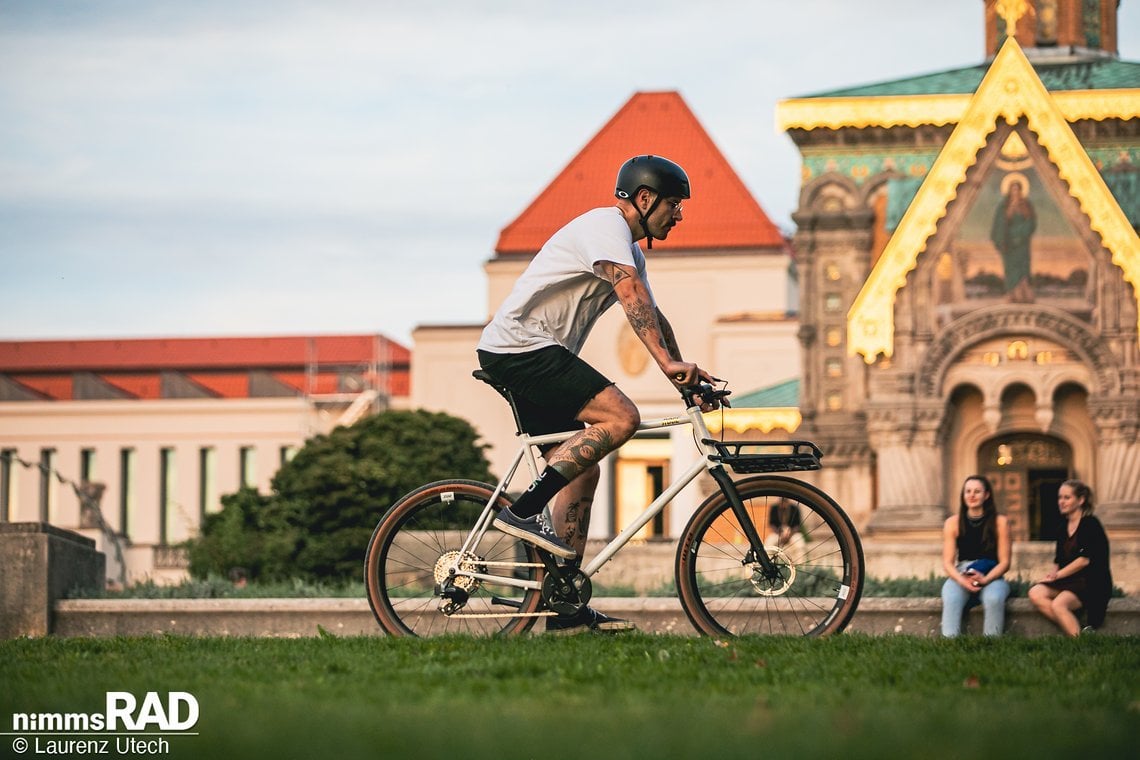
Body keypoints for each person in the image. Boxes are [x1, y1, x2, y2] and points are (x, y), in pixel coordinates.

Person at [476, 155, 723, 634]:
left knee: (583, 472)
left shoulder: (630, 249)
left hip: (532, 353)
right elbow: (629, 294)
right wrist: (669, 365)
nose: (679, 214)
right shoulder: (604, 228)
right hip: (520, 350)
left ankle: (563, 606)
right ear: (645, 199)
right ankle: (524, 511)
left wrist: (685, 379)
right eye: (674, 204)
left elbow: (652, 313)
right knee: (621, 418)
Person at [1028, 480, 1113, 636]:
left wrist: (1057, 576)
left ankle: (1079, 643)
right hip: (1069, 580)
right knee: (1035, 592)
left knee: (1059, 604)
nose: (1061, 501)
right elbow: (1058, 561)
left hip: (1090, 581)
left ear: (1080, 500)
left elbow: (1084, 560)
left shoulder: (1091, 524)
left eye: (1067, 497)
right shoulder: (1062, 527)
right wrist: (1050, 576)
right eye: (1060, 497)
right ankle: (1076, 628)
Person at [940, 475, 1011, 637]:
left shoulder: (1000, 522)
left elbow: (1005, 563)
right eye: (968, 491)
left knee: (994, 599)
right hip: (962, 573)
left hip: (992, 574)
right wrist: (962, 579)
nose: (972, 495)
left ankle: (991, 644)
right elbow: (947, 563)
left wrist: (985, 580)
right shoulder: (952, 522)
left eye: (977, 491)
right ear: (963, 495)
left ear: (986, 495)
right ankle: (949, 645)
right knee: (951, 598)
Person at [990, 175, 1036, 302]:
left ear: (1021, 191)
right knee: (1011, 270)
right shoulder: (1003, 206)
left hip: (1022, 244)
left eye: (1017, 189)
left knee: (1023, 268)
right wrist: (1009, 213)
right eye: (1013, 190)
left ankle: (1024, 294)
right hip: (1009, 244)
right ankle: (1013, 295)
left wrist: (1021, 233)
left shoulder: (1026, 205)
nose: (1015, 192)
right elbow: (1000, 224)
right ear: (1009, 191)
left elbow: (1031, 222)